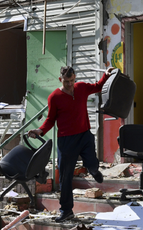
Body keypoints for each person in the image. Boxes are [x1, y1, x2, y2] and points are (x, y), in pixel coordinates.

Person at [28, 66, 115, 222]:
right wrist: (39, 131)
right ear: (61, 80)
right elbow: (50, 119)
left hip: (85, 136)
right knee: (65, 177)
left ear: (75, 78)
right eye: (67, 82)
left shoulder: (81, 87)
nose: (70, 85)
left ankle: (94, 170)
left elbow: (97, 87)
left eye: (72, 81)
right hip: (66, 141)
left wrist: (106, 75)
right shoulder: (54, 97)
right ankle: (66, 211)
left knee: (92, 163)